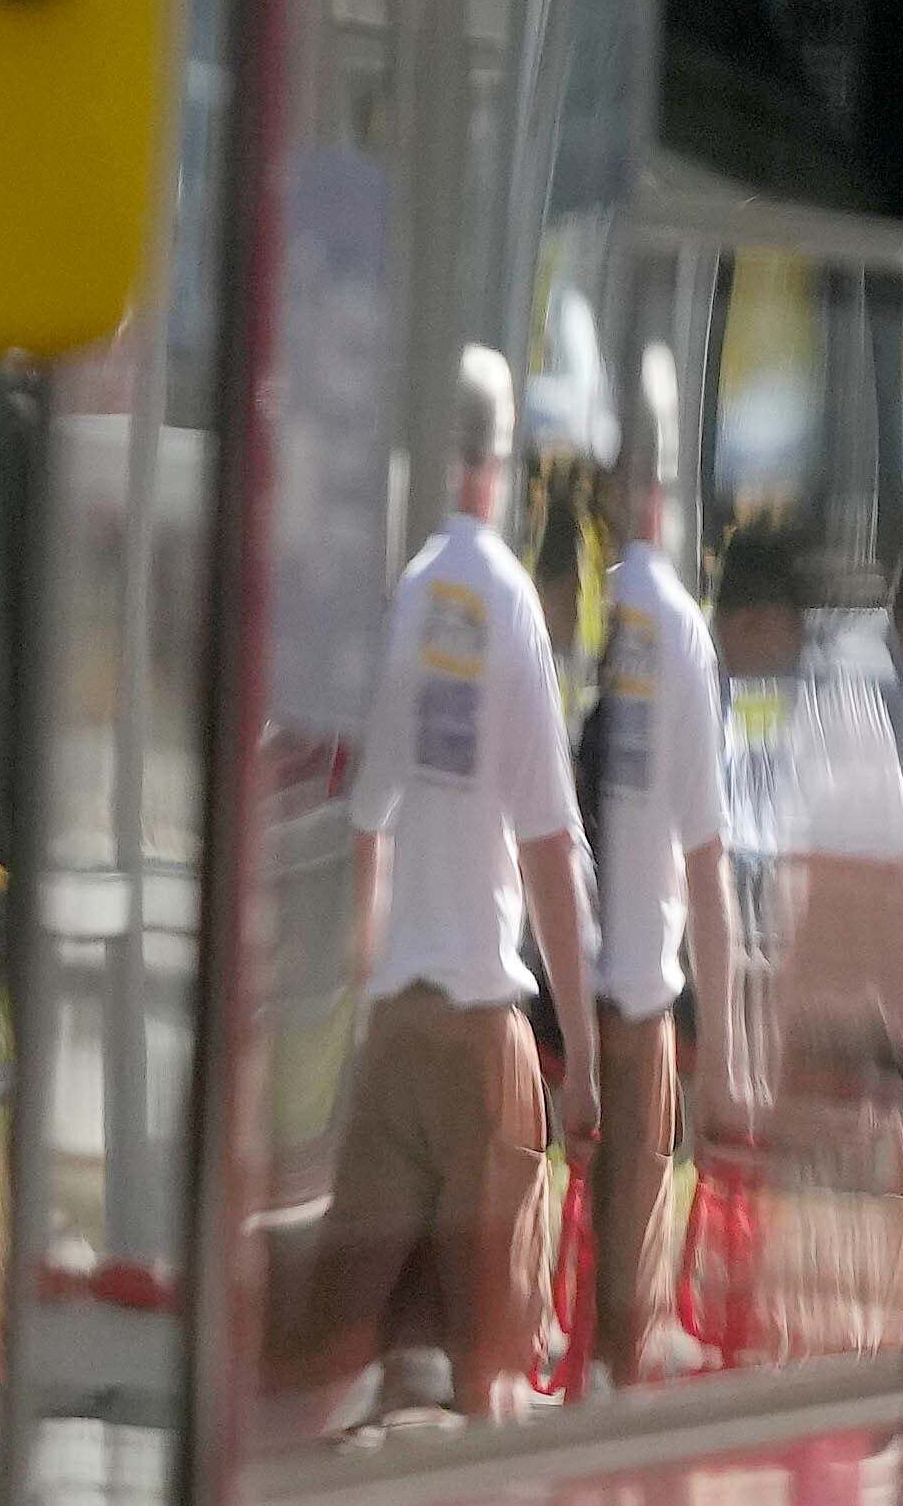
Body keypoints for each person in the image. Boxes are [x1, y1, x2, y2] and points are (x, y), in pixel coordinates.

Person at [292, 352, 599, 1419]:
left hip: (399, 1033)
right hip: (479, 1037)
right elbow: (549, 848)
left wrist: (371, 974)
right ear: (503, 465)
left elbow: (366, 816)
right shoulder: (510, 604)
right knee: (493, 1366)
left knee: (337, 1350)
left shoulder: (414, 595)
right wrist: (582, 1058)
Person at [579, 452, 723, 1381]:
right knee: (630, 1306)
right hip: (637, 994)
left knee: (592, 1261)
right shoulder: (677, 629)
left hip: (573, 980)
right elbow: (707, 862)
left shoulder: (601, 616)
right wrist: (729, 1051)